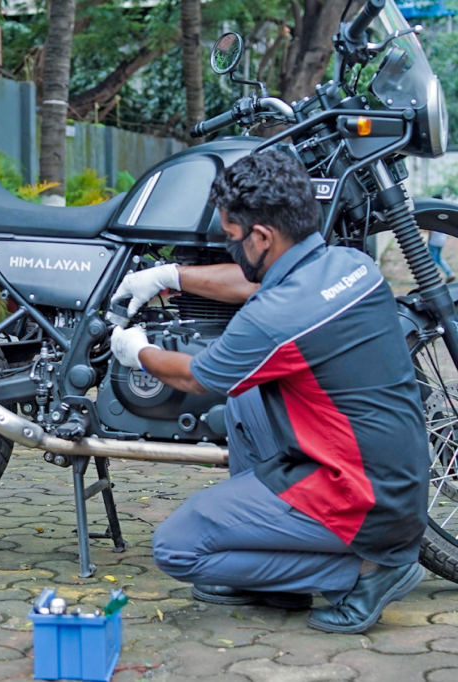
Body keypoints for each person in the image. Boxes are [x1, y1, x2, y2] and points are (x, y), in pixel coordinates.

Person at [109, 151, 428, 634]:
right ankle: (278, 572)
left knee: (177, 548)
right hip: (393, 480)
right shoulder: (350, 265)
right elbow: (254, 283)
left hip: (358, 499)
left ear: (262, 236)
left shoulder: (278, 317)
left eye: (231, 239)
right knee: (245, 398)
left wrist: (138, 352)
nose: (228, 248)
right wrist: (167, 276)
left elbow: (197, 377)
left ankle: (370, 573)